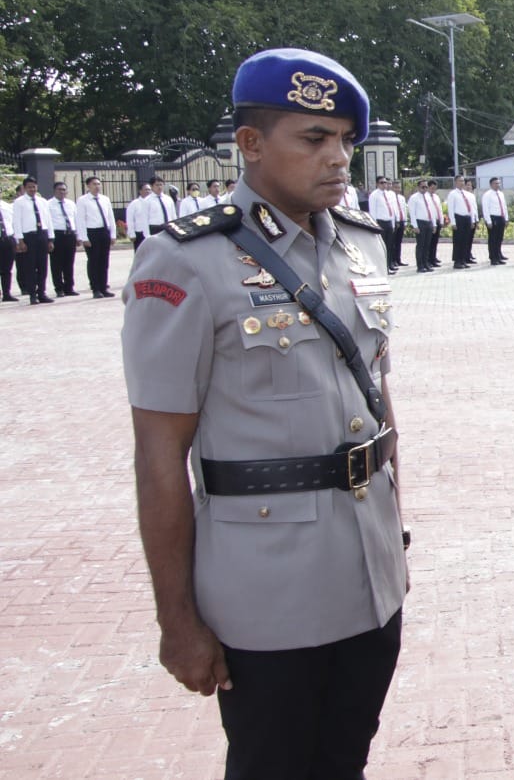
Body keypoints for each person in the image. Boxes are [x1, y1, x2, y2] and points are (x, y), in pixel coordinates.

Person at [121, 47, 407, 779]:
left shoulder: (361, 246)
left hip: (368, 572)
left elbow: (379, 402)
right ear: (249, 144)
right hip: (266, 586)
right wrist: (176, 619)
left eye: (346, 139)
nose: (338, 157)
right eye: (313, 139)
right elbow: (160, 454)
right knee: (272, 763)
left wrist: (395, 527)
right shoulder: (186, 261)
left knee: (345, 758)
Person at [12, 176, 55, 304]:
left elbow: (48, 220)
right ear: (25, 188)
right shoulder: (19, 202)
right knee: (30, 266)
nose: (32, 189)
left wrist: (50, 239)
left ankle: (41, 292)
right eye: (29, 187)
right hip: (28, 236)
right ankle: (32, 294)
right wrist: (20, 240)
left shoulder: (43, 202)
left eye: (34, 186)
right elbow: (17, 221)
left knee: (42, 266)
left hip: (42, 234)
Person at [76, 176, 117, 298]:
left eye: (98, 184)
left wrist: (112, 234)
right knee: (94, 261)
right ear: (88, 186)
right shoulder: (83, 200)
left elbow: (111, 217)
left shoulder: (105, 199)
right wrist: (84, 237)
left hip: (104, 231)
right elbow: (80, 220)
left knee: (104, 261)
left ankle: (104, 287)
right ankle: (95, 288)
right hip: (92, 232)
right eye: (94, 184)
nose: (97, 186)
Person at [367, 176, 405, 274]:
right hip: (380, 222)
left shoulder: (389, 194)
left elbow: (392, 210)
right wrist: (375, 225)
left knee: (389, 246)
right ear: (377, 184)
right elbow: (373, 212)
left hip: (389, 222)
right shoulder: (374, 195)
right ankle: (382, 268)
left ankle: (388, 266)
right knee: (381, 247)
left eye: (385, 182)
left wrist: (392, 224)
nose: (384, 184)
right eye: (381, 182)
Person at [47, 181, 79, 297]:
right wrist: (49, 239)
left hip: (70, 235)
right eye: (59, 189)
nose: (62, 192)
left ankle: (69, 287)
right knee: (56, 264)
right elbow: (48, 222)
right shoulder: (48, 204)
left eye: (64, 190)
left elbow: (76, 220)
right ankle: (59, 288)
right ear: (54, 191)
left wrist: (78, 236)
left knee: (69, 263)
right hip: (57, 235)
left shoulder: (71, 204)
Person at [446, 176, 478, 269]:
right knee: (458, 241)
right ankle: (457, 261)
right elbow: (451, 209)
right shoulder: (453, 194)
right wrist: (453, 222)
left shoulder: (467, 194)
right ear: (455, 182)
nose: (462, 183)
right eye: (460, 181)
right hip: (458, 218)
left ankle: (463, 260)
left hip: (467, 218)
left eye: (463, 181)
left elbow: (471, 208)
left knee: (465, 241)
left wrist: (472, 220)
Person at [406, 180, 438, 273]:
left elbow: (432, 211)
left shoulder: (428, 197)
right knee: (421, 245)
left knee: (427, 245)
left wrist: (434, 224)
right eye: (422, 187)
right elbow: (412, 213)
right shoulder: (414, 198)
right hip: (420, 223)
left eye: (426, 187)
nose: (424, 189)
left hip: (428, 222)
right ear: (418, 187)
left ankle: (426, 263)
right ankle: (420, 265)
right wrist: (415, 226)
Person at [481, 177, 510, 265]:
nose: (497, 185)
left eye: (498, 183)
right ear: (491, 184)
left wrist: (506, 218)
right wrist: (488, 221)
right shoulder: (487, 194)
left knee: (499, 238)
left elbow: (504, 207)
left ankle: (498, 256)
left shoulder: (500, 194)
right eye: (495, 183)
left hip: (501, 217)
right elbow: (485, 209)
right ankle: (493, 258)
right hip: (493, 218)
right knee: (493, 239)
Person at [0, 188, 17, 301]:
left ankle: (7, 293)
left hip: (8, 239)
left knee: (7, 268)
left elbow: (13, 223)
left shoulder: (7, 206)